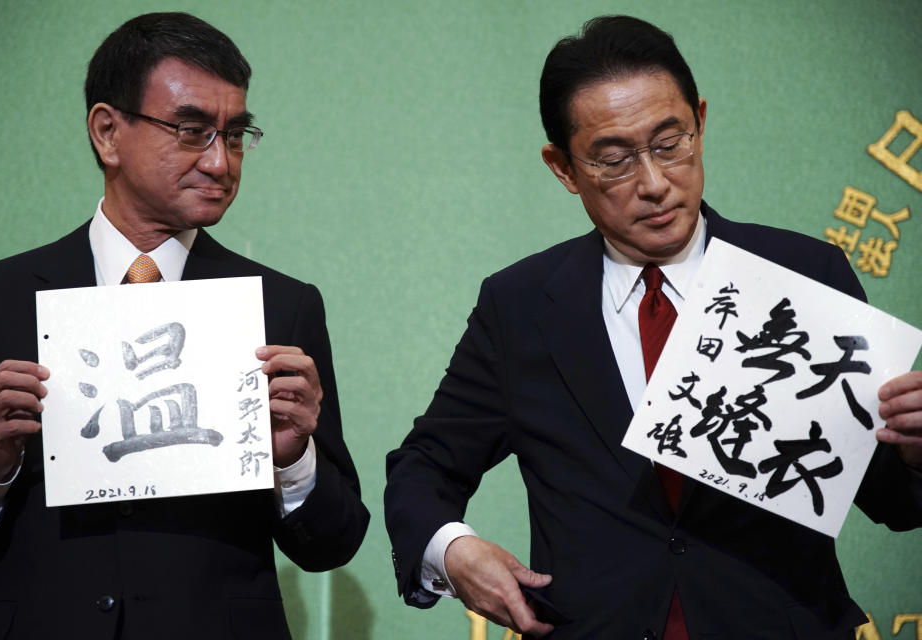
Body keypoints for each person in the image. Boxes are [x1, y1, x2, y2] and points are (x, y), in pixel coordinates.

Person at [384, 15, 922, 640]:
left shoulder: (803, 274)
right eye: (613, 160)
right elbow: (423, 466)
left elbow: (891, 497)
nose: (655, 183)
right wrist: (453, 551)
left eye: (670, 143)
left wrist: (914, 454)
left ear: (699, 119)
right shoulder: (520, 305)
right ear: (562, 168)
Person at [0, 12, 368, 639]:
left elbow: (334, 543)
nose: (221, 162)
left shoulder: (281, 306)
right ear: (107, 133)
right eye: (191, 131)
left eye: (235, 135)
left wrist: (291, 462)